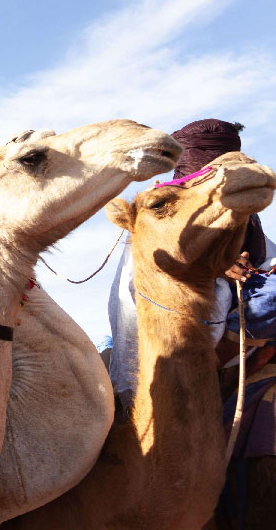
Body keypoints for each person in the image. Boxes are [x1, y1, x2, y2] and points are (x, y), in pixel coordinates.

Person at [107, 119, 276, 404]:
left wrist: (248, 272)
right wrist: (213, 266)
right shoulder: (160, 215)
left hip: (242, 346)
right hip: (169, 342)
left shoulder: (248, 223)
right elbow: (129, 299)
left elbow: (269, 267)